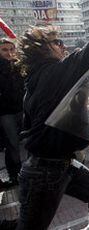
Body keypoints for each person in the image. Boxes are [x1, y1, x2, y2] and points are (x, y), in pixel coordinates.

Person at [17, 25, 89, 230]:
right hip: (43, 173)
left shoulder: (35, 78)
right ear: (43, 49)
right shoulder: (55, 72)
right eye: (58, 42)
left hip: (61, 164)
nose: (64, 47)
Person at [0, 38, 23, 189]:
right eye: (4, 50)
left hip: (22, 109)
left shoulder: (20, 65)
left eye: (11, 49)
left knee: (25, 142)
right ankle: (15, 175)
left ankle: (24, 173)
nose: (9, 53)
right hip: (5, 112)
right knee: (13, 144)